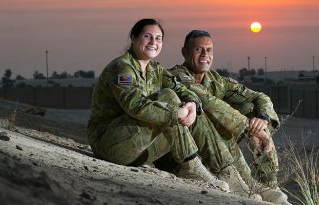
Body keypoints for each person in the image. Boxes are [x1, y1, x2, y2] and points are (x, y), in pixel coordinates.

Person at [87, 19, 228, 191]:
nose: (154, 42)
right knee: (168, 98)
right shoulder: (122, 68)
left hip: (137, 148)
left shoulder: (155, 69)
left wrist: (192, 103)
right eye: (148, 37)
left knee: (186, 108)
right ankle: (192, 166)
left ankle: (215, 169)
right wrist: (176, 113)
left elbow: (179, 88)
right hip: (110, 144)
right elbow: (136, 106)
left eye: (158, 38)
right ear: (133, 38)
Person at [169, 30, 291, 204]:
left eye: (209, 50)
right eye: (198, 49)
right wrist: (247, 126)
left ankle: (268, 181)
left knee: (252, 109)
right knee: (207, 112)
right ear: (185, 52)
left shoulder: (217, 81)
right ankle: (237, 179)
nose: (205, 55)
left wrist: (262, 119)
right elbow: (206, 100)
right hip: (184, 152)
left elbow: (260, 97)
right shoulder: (176, 76)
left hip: (215, 147)